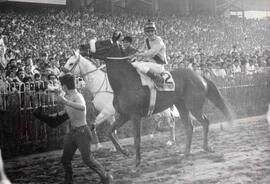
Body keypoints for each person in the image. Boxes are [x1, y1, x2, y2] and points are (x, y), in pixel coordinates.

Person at [49, 73, 113, 184]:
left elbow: (82, 107)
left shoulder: (77, 96)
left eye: (61, 85)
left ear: (64, 86)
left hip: (82, 133)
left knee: (87, 160)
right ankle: (69, 181)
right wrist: (53, 116)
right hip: (72, 133)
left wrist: (65, 101)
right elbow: (66, 111)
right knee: (65, 159)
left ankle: (106, 177)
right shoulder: (68, 96)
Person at [132, 19, 168, 87]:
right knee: (133, 64)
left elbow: (151, 53)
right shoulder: (146, 41)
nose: (150, 33)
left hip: (159, 66)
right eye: (148, 31)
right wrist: (134, 55)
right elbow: (141, 51)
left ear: (155, 31)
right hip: (151, 65)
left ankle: (157, 78)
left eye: (152, 31)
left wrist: (139, 54)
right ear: (145, 33)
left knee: (141, 66)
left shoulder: (159, 40)